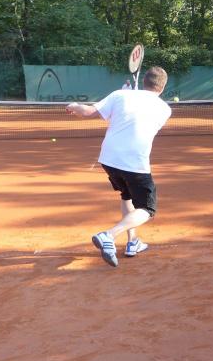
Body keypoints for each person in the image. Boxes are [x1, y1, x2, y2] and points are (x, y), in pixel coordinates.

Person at [66, 67, 172, 266]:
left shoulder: (120, 94)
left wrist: (75, 105)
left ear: (144, 81)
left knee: (127, 195)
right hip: (134, 163)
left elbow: (87, 112)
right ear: (163, 87)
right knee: (147, 209)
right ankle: (109, 235)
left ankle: (133, 242)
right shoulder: (165, 109)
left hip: (109, 159)